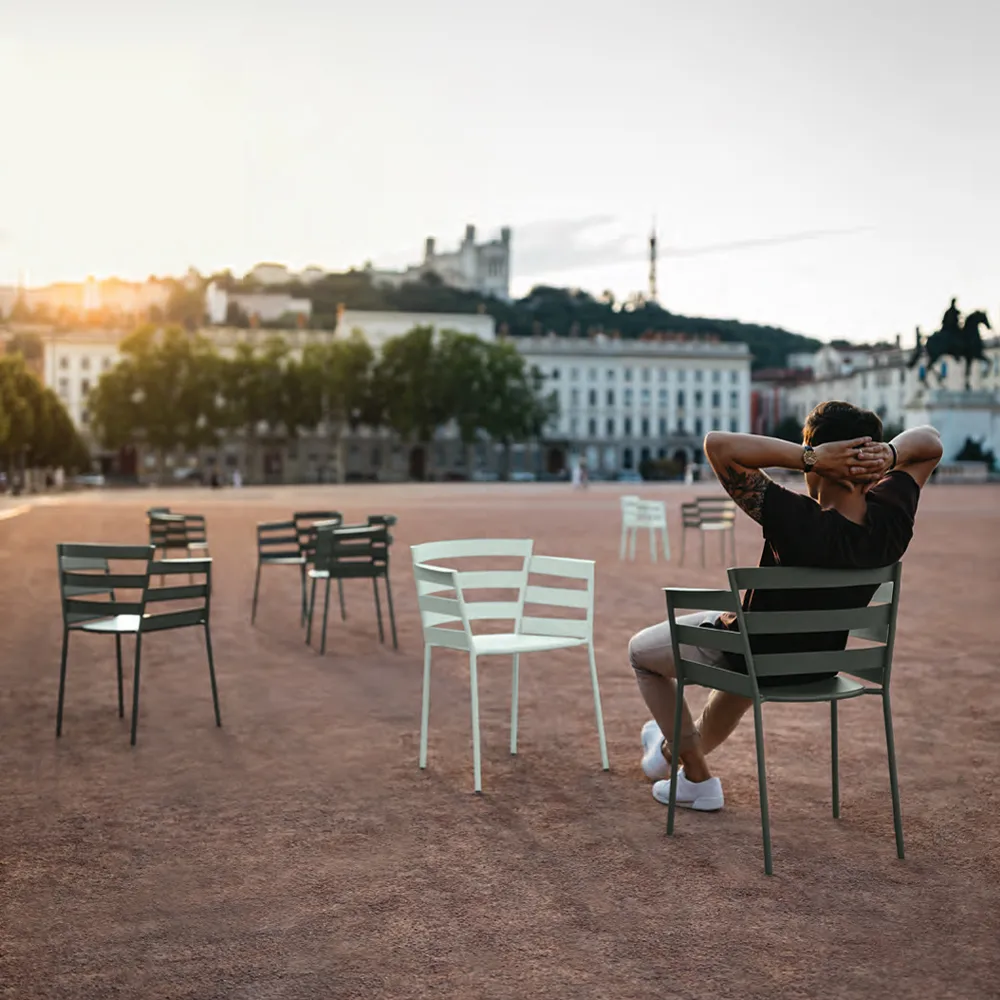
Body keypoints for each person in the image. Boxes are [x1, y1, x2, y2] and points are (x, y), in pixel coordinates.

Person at [629, 401, 943, 811]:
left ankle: (698, 779)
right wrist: (891, 455)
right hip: (816, 662)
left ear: (820, 463)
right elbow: (931, 441)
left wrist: (807, 458)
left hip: (755, 656)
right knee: (745, 667)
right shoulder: (892, 520)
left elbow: (718, 446)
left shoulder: (796, 518)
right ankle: (669, 751)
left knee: (641, 653)